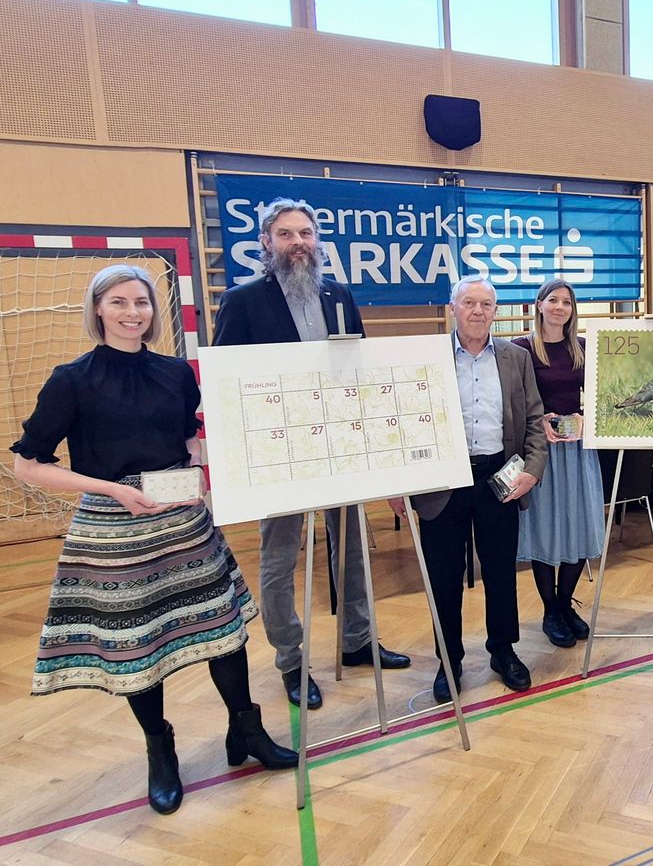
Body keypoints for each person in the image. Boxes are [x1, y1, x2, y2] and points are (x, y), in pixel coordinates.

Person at [9, 265, 297, 816]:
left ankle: (247, 732)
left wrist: (198, 474)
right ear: (98, 309)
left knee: (224, 631)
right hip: (115, 527)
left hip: (182, 518)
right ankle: (161, 752)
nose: (132, 312)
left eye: (141, 302)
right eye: (119, 302)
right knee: (140, 645)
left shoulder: (174, 371)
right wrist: (114, 492)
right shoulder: (72, 379)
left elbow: (189, 438)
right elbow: (29, 467)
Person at [213, 198, 410, 710]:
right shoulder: (242, 301)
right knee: (280, 559)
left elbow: (360, 368)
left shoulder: (338, 295)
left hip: (339, 446)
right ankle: (291, 661)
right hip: (279, 455)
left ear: (316, 240)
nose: (297, 242)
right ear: (266, 243)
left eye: (305, 233)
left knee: (352, 549)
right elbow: (226, 386)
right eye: (285, 234)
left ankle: (358, 640)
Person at [392, 276, 548, 703]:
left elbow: (534, 420)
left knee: (501, 571)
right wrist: (397, 487)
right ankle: (449, 660)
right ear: (452, 308)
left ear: (496, 311)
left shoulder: (516, 358)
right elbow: (404, 421)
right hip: (443, 483)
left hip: (500, 478)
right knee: (444, 577)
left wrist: (532, 470)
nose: (478, 311)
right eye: (469, 303)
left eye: (486, 304)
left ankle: (503, 650)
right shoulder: (427, 357)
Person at [512, 280, 604, 647]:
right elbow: (515, 403)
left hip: (579, 450)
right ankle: (550, 609)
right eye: (553, 300)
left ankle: (566, 603)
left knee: (578, 525)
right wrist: (539, 422)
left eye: (567, 302)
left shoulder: (584, 349)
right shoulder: (521, 350)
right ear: (539, 305)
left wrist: (584, 417)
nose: (560, 307)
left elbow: (602, 398)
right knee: (545, 528)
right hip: (541, 452)